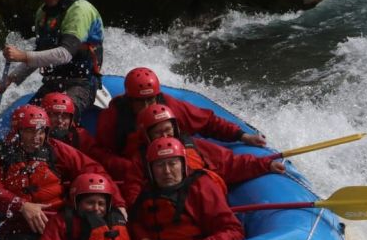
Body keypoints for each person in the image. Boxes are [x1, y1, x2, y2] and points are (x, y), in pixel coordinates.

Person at [0, 104, 123, 240]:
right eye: (30, 131)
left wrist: (118, 202)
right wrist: (22, 206)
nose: (37, 137)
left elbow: (94, 170)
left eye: (41, 131)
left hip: (57, 223)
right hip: (20, 225)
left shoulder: (54, 148)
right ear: (17, 131)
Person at [95, 67, 266, 175]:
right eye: (141, 102)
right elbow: (102, 153)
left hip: (172, 162)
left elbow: (207, 122)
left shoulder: (170, 106)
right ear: (129, 100)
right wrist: (131, 168)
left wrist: (242, 136)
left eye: (150, 100)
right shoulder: (113, 117)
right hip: (138, 167)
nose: (147, 106)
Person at [0, 0, 104, 119]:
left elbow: (64, 54)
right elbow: (41, 54)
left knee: (55, 119)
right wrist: (11, 78)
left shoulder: (79, 10)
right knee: (23, 122)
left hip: (82, 84)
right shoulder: (43, 13)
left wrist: (22, 56)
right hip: (53, 83)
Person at [120, 103, 286, 205]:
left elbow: (230, 163)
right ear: (147, 135)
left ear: (175, 129)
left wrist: (266, 164)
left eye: (168, 130)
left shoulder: (193, 146)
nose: (165, 137)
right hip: (169, 214)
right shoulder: (140, 160)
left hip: (205, 205)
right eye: (158, 133)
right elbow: (133, 195)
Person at [130, 137, 245, 240]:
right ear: (151, 169)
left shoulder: (201, 186)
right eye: (160, 165)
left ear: (183, 164)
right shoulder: (146, 193)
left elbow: (234, 230)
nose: (167, 171)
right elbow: (136, 223)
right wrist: (143, 238)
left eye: (172, 163)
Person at [40, 91, 132, 178]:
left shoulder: (79, 136)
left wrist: (131, 168)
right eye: (54, 115)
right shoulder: (35, 138)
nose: (60, 121)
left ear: (71, 119)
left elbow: (101, 158)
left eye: (65, 116)